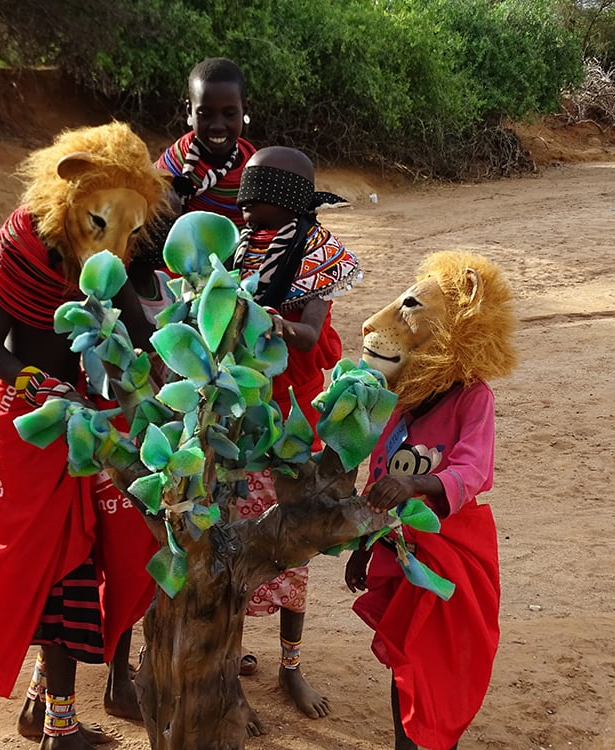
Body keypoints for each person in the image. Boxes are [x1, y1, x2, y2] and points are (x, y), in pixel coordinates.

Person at [0, 122, 168, 750]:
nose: (116, 248)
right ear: (70, 192)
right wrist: (44, 389)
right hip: (29, 423)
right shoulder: (22, 247)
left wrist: (196, 357)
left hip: (84, 421)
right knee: (55, 561)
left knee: (89, 551)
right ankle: (59, 727)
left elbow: (143, 340)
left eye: (130, 229)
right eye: (104, 224)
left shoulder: (106, 256)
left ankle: (43, 708)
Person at [344, 250, 518, 750]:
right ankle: (408, 742)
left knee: (437, 657)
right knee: (405, 657)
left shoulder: (472, 397)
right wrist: (364, 547)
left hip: (449, 551)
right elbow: (379, 478)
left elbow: (473, 469)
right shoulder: (398, 402)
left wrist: (418, 485)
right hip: (398, 550)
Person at [229, 146, 361, 730]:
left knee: (293, 545)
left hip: (290, 420)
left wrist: (261, 318)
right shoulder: (239, 245)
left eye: (255, 196)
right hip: (237, 415)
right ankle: (229, 666)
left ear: (279, 197)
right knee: (233, 540)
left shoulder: (318, 253)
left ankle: (290, 666)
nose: (245, 205)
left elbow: (308, 337)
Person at [155, 57, 257, 228]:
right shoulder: (176, 160)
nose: (217, 126)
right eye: (205, 113)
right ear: (189, 111)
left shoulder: (255, 172)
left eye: (229, 113)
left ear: (244, 111)